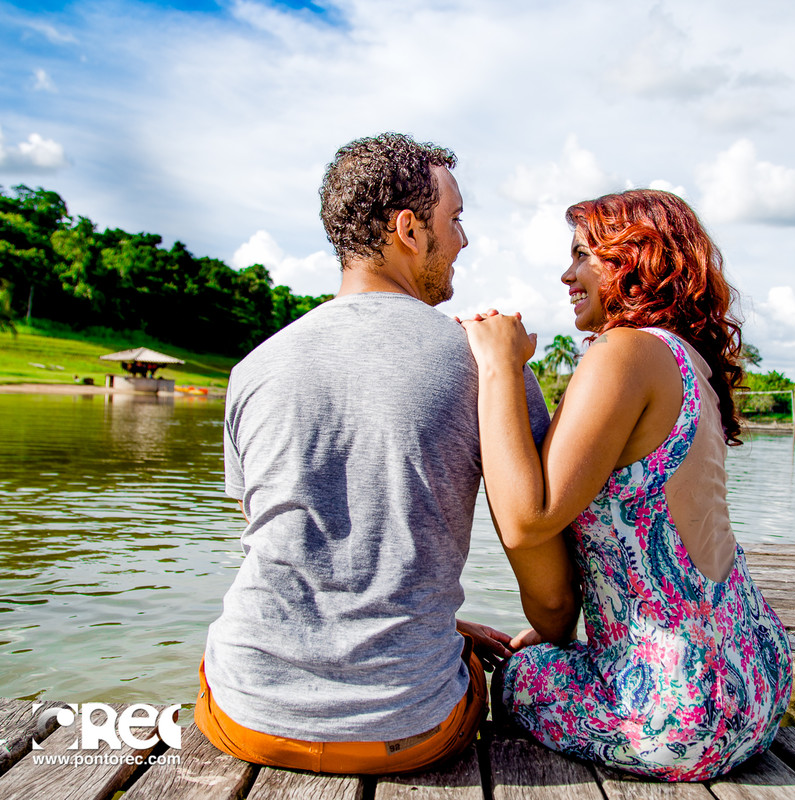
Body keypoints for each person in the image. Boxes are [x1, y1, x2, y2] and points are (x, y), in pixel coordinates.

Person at [195, 132, 577, 775]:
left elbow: (291, 551)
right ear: (409, 228)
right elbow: (551, 595)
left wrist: (441, 626)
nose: (464, 239)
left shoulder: (254, 368)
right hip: (410, 730)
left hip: (246, 715)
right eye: (454, 221)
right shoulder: (488, 366)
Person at [461, 189, 793, 781]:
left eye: (585, 253)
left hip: (679, 714)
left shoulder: (623, 352)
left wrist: (498, 366)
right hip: (756, 680)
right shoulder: (687, 360)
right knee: (547, 650)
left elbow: (528, 517)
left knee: (514, 676)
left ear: (635, 257)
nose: (568, 273)